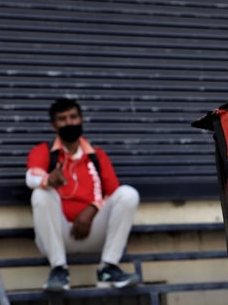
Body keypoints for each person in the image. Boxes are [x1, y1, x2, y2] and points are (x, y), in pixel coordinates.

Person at [25, 98, 141, 291]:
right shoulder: (44, 151)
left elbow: (113, 193)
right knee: (40, 194)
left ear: (81, 120)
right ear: (54, 126)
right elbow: (31, 176)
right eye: (62, 119)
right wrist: (47, 180)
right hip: (56, 239)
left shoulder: (97, 156)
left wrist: (93, 209)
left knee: (128, 194)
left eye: (73, 117)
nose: (69, 122)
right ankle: (59, 270)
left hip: (93, 234)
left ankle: (108, 267)